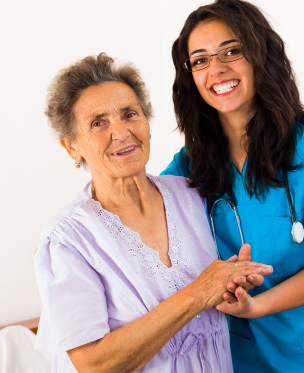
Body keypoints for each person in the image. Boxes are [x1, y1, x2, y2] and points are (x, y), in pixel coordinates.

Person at [162, 0, 304, 372]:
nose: (216, 69)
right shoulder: (190, 163)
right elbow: (140, 211)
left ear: (259, 55)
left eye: (231, 51)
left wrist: (257, 306)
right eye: (200, 60)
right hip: (248, 354)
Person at [34, 53, 273, 373]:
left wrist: (231, 281)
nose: (121, 133)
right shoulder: (67, 239)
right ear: (72, 147)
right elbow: (94, 364)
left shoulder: (191, 194)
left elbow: (214, 291)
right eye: (98, 122)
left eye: (130, 114)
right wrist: (199, 293)